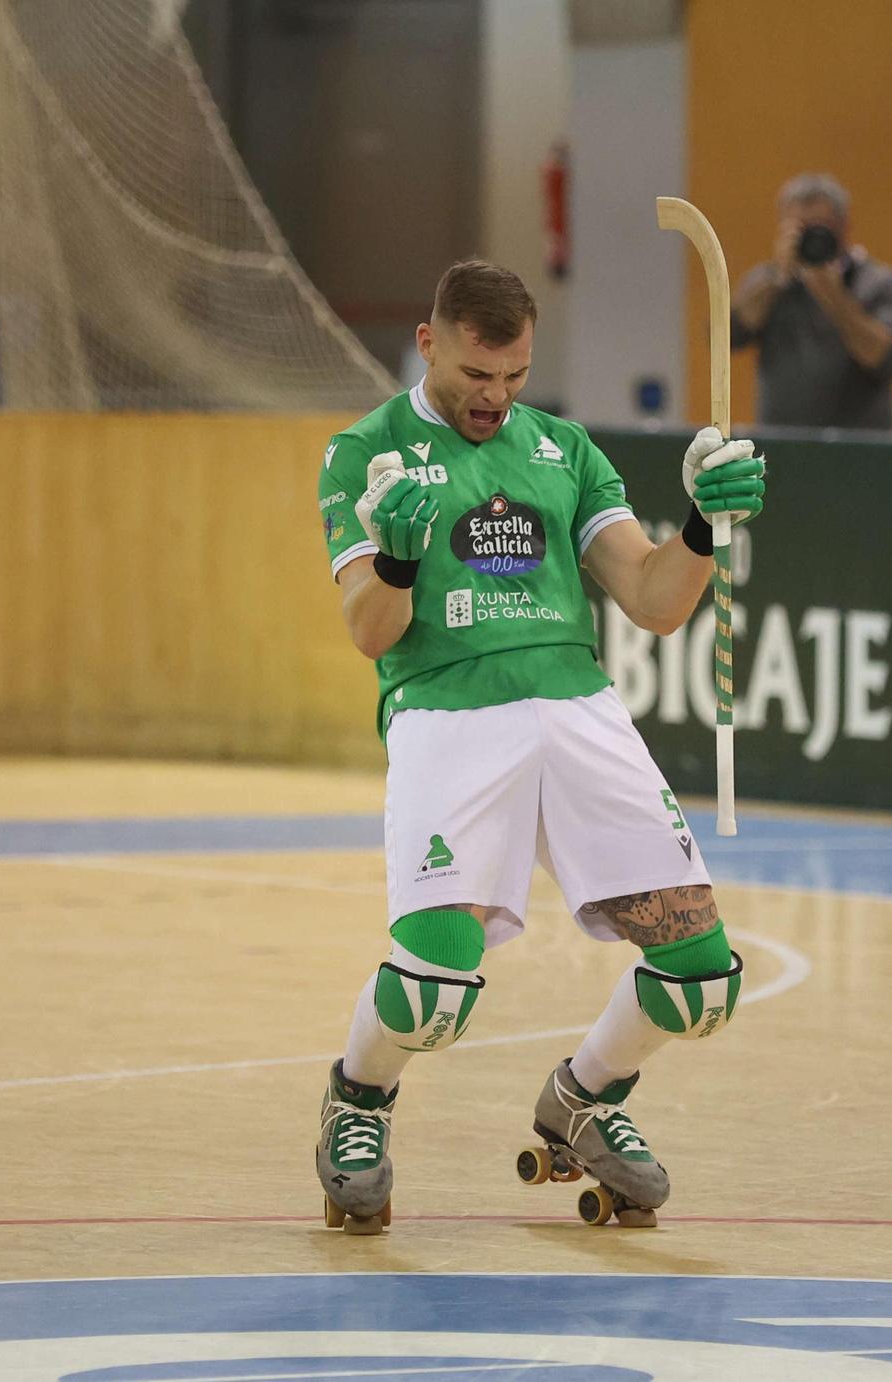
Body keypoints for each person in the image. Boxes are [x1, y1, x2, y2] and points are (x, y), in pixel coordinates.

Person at [315, 259, 766, 1232]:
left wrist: (700, 523)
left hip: (579, 708)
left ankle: (585, 1098)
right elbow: (369, 630)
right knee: (433, 992)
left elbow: (652, 599)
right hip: (446, 709)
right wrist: (394, 553)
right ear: (431, 341)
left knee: (704, 982)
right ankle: (359, 1097)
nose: (496, 397)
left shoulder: (563, 449)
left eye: (514, 376)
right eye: (478, 375)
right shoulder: (366, 452)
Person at [731, 172, 892, 430]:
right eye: (799, 228)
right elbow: (728, 335)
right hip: (782, 450)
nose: (810, 239)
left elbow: (888, 358)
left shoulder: (882, 285)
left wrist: (831, 293)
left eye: (818, 227)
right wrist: (777, 278)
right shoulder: (768, 282)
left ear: (844, 226)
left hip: (863, 454)